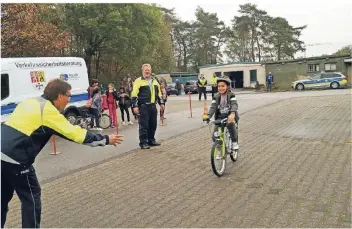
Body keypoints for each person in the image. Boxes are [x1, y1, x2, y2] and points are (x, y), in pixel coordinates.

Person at [1, 78, 123, 228]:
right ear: (59, 96)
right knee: (31, 197)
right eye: (68, 96)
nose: (68, 100)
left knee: (2, 197)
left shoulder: (30, 102)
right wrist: (104, 139)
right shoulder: (48, 111)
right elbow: (74, 133)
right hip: (16, 158)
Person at [131, 63, 165, 149]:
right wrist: (134, 106)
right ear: (142, 71)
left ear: (151, 71)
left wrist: (161, 103)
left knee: (153, 124)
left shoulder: (154, 81)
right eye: (145, 70)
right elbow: (134, 94)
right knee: (144, 125)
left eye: (148, 70)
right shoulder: (138, 81)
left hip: (153, 106)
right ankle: (143, 142)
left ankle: (151, 140)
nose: (147, 71)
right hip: (143, 106)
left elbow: (159, 94)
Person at [203, 76, 239, 151]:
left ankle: (234, 142)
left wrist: (232, 113)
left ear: (227, 86)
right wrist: (208, 116)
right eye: (219, 86)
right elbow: (213, 107)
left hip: (230, 116)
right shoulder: (216, 96)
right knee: (215, 135)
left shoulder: (231, 95)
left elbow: (234, 104)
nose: (220, 88)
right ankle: (219, 149)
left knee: (231, 125)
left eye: (223, 86)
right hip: (220, 117)